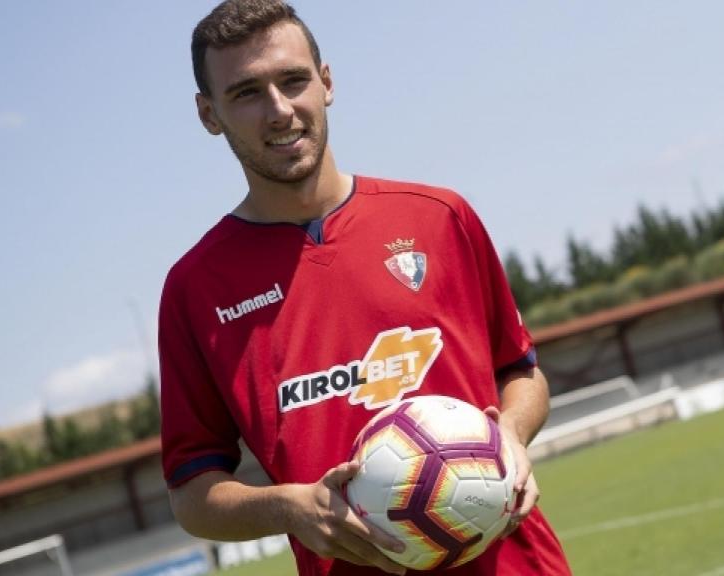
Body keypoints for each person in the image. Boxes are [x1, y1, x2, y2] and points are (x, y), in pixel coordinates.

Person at [158, 1, 573, 575]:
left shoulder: (439, 217)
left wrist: (512, 433)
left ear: (326, 83)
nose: (279, 110)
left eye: (294, 80)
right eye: (246, 93)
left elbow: (522, 373)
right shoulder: (194, 289)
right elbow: (192, 494)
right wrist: (289, 506)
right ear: (209, 113)